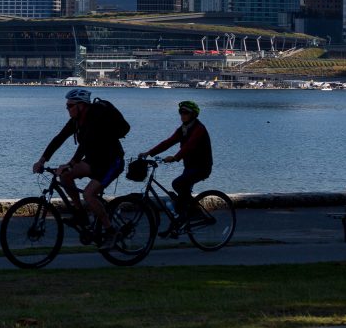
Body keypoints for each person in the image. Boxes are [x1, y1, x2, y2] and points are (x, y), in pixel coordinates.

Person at [33, 88, 125, 249]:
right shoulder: (76, 120)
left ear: (81, 105)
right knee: (66, 176)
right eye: (67, 106)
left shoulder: (95, 117)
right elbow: (59, 138)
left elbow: (85, 144)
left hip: (111, 162)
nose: (67, 109)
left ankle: (111, 231)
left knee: (89, 194)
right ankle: (81, 214)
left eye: (70, 106)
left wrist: (70, 163)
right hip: (93, 161)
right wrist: (42, 160)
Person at [138, 100, 212, 235]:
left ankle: (195, 212)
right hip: (189, 166)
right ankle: (177, 225)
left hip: (202, 167)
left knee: (177, 184)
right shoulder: (183, 129)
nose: (182, 115)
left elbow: (189, 146)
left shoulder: (199, 129)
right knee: (181, 194)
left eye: (186, 113)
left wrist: (175, 157)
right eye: (181, 112)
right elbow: (168, 142)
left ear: (193, 114)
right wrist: (149, 152)